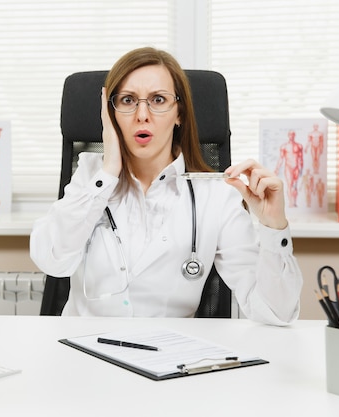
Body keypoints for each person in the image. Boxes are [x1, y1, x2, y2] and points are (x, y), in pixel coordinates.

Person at [30, 47, 302, 326]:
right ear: (110, 114)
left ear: (179, 113)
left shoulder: (217, 196)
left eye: (158, 99)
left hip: (170, 357)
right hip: (85, 352)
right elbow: (52, 260)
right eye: (127, 100)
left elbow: (275, 312)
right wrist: (108, 173)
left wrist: (273, 228)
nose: (142, 114)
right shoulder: (90, 177)